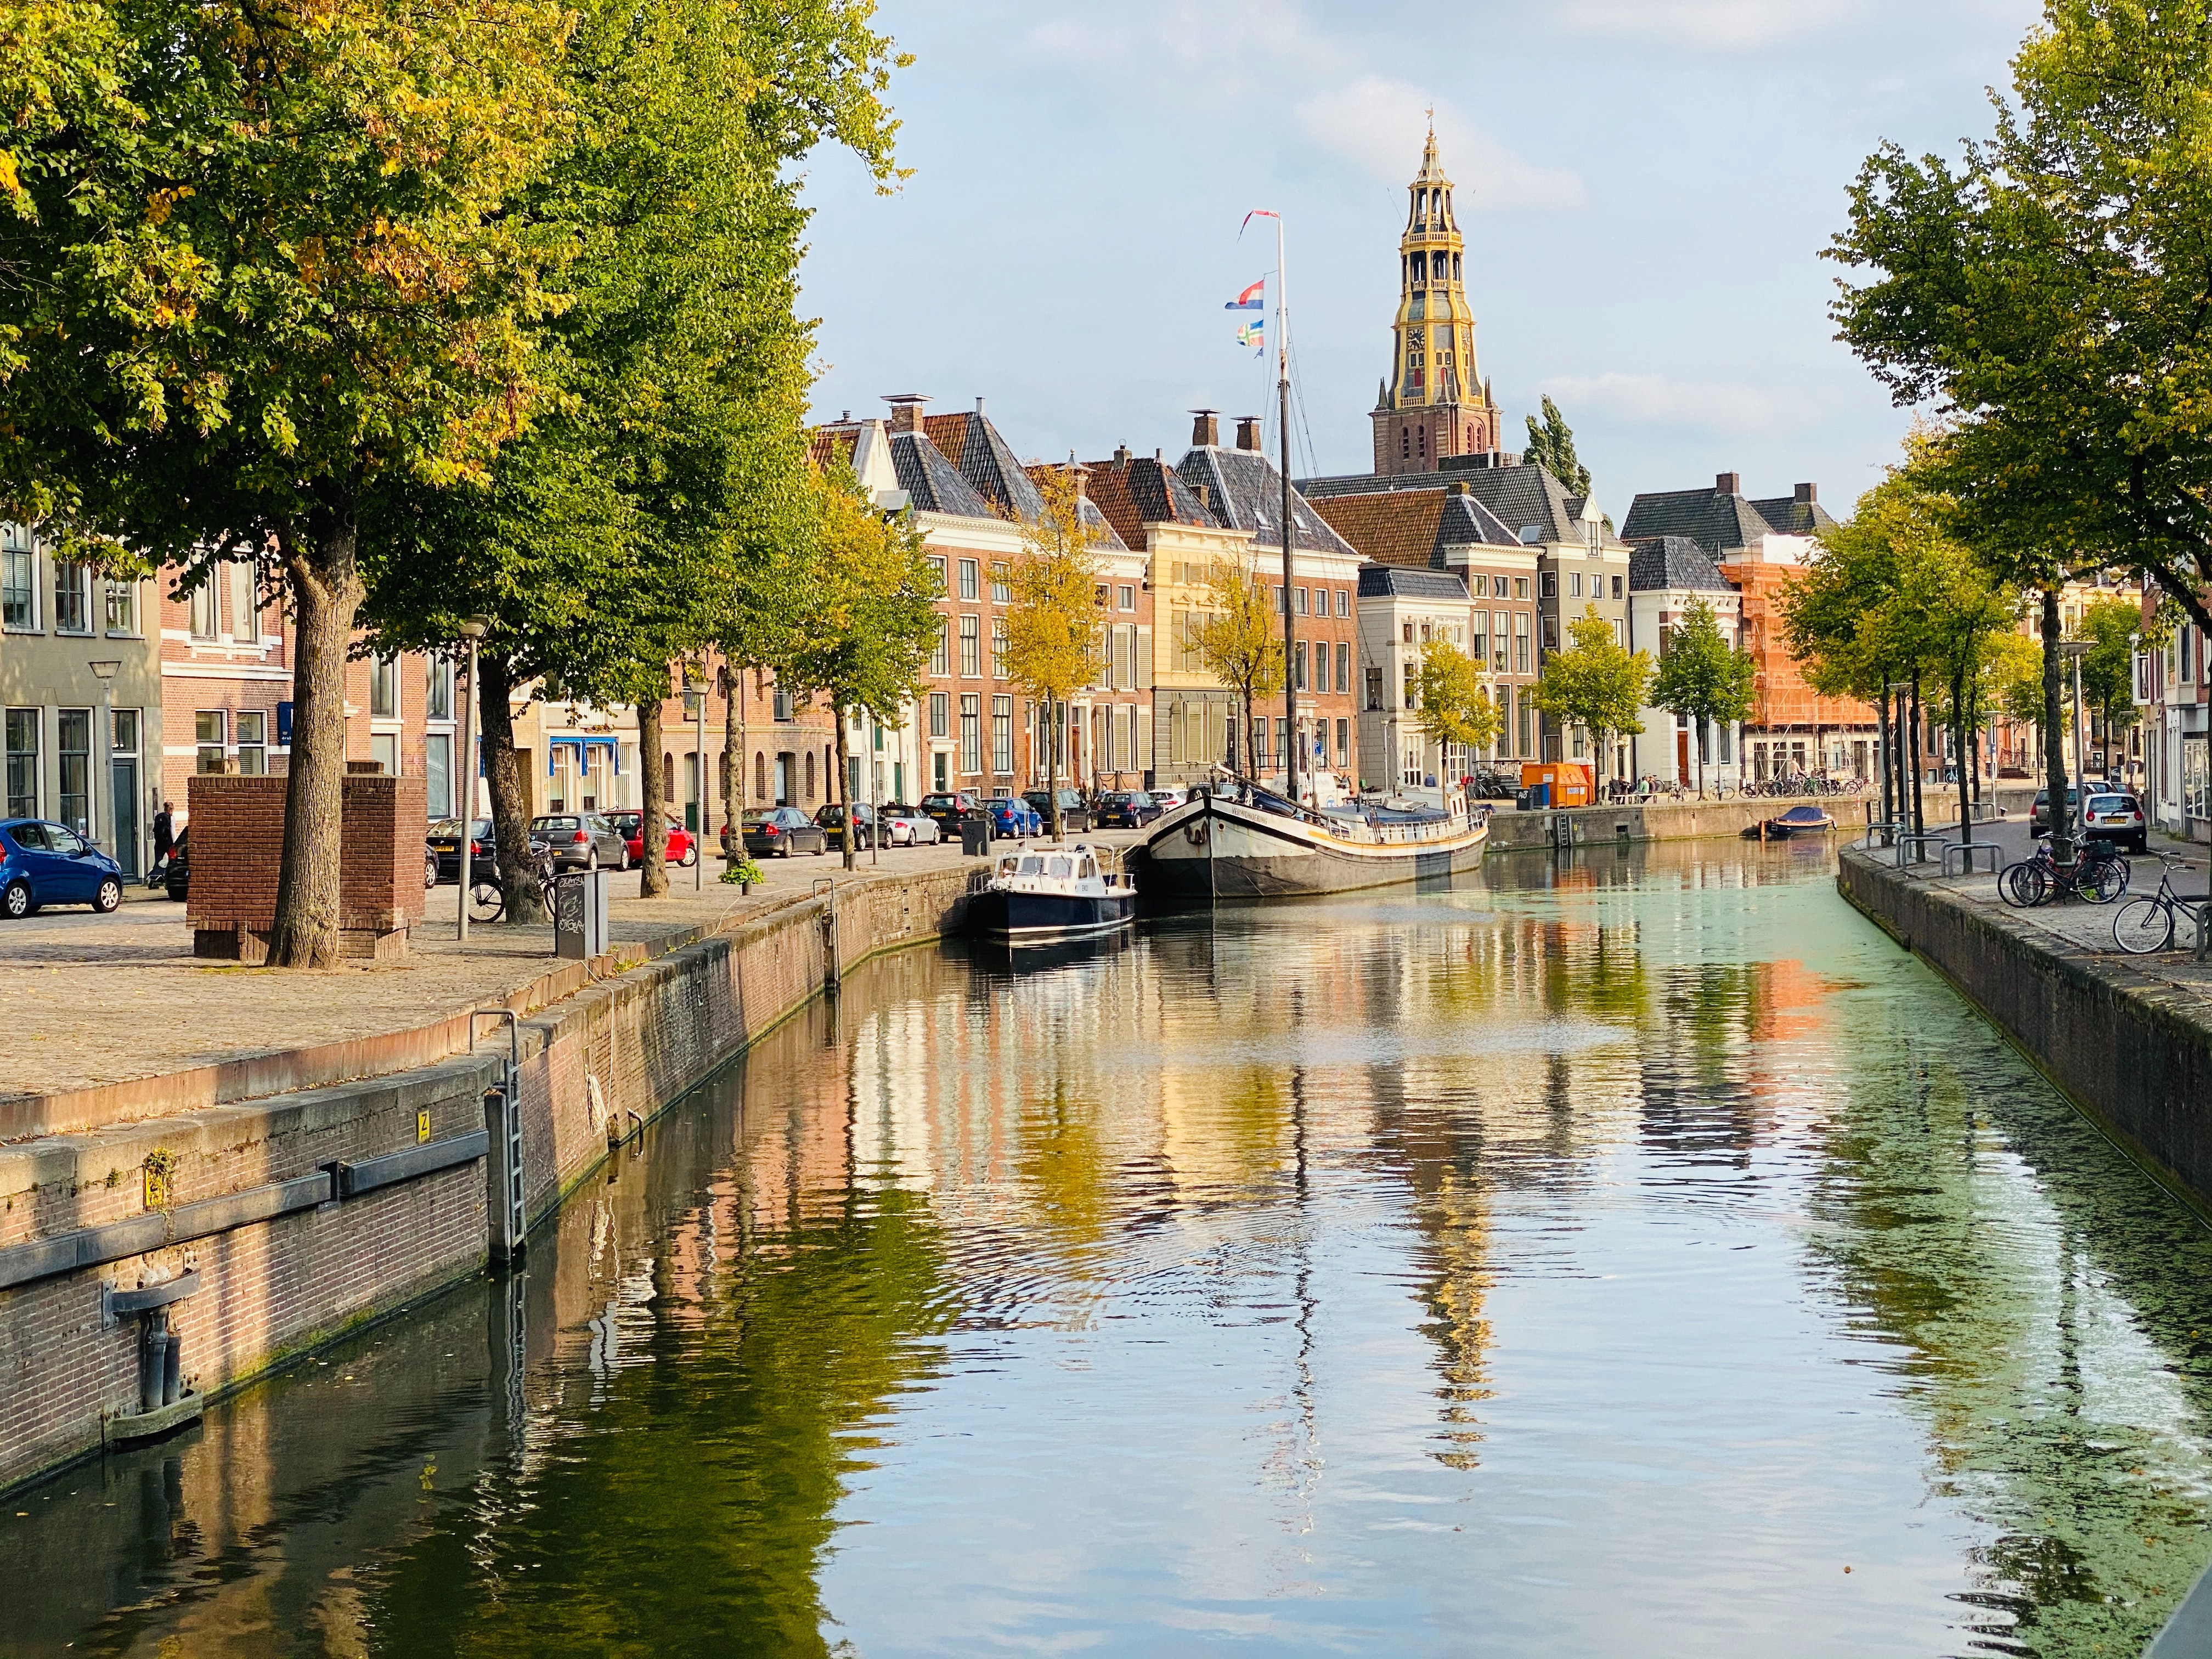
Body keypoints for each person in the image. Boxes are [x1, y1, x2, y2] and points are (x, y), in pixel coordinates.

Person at [148, 800, 175, 885]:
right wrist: (175, 843)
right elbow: (172, 831)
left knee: (158, 861)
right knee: (173, 861)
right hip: (168, 843)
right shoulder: (171, 818)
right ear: (171, 810)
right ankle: (170, 878)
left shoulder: (159, 817)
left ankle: (154, 880)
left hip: (159, 843)